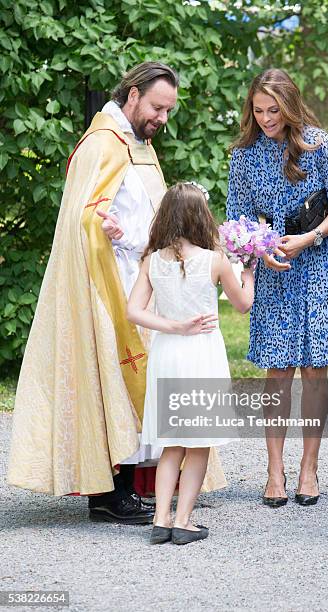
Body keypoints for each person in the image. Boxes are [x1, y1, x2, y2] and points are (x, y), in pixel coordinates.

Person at [8, 62, 226, 525]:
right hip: (106, 287)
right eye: (157, 107)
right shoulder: (104, 145)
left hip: (141, 277)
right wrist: (118, 234)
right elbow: (86, 222)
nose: (163, 118)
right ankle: (110, 491)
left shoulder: (137, 145)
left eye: (168, 109)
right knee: (112, 382)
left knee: (144, 384)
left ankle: (151, 483)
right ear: (131, 94)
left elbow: (152, 216)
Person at [227, 68, 328, 507]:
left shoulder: (318, 145)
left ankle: (309, 467)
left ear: (289, 105)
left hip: (321, 262)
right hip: (276, 269)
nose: (267, 118)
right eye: (258, 110)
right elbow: (238, 218)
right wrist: (259, 248)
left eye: (274, 110)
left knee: (313, 371)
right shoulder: (243, 155)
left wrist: (310, 237)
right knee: (277, 371)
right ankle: (274, 471)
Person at [127, 183, 254, 544]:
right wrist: (248, 274)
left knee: (172, 444)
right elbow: (243, 304)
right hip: (201, 355)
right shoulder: (214, 261)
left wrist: (173, 326)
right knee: (198, 444)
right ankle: (183, 520)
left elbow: (132, 310)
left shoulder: (152, 261)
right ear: (202, 217)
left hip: (167, 354)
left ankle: (160, 518)